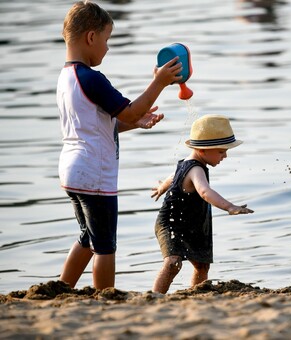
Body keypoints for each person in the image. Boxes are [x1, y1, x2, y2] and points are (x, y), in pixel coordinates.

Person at [57, 1, 183, 290]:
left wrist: (135, 123)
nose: (107, 48)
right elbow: (128, 111)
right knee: (104, 245)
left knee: (87, 237)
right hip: (94, 173)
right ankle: (106, 298)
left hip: (72, 170)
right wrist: (160, 83)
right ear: (91, 37)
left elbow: (101, 122)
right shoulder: (92, 78)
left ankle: (62, 289)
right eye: (107, 39)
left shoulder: (67, 77)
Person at [151, 114, 254, 293]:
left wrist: (163, 187)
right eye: (221, 151)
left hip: (192, 224)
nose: (225, 156)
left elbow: (172, 177)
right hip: (172, 224)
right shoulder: (196, 169)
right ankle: (155, 296)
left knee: (201, 265)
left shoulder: (188, 164)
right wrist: (230, 207)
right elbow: (205, 192)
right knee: (173, 262)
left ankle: (196, 293)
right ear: (203, 150)